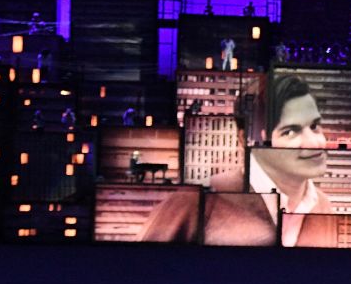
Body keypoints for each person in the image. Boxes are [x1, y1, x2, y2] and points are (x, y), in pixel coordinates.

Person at [139, 74, 338, 247]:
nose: (314, 142)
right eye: (290, 132)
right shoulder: (194, 201)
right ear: (247, 139)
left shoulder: (323, 205)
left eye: (315, 126)